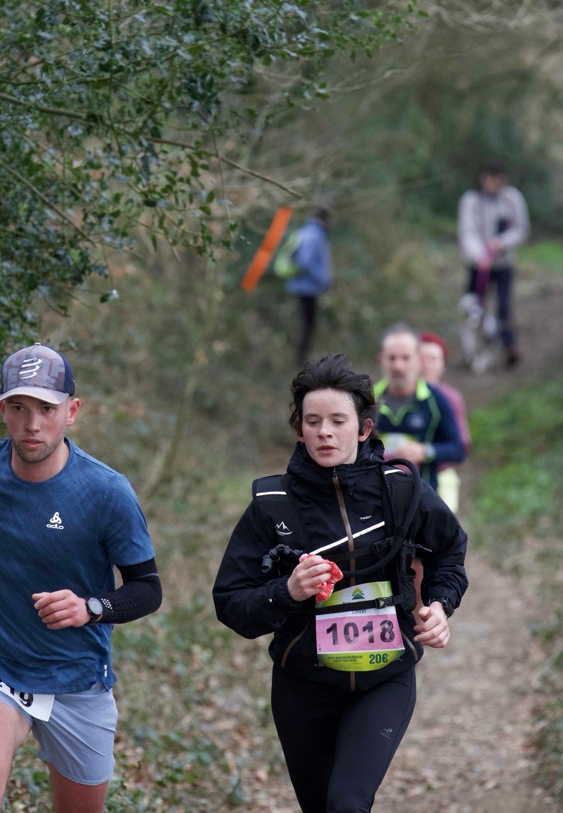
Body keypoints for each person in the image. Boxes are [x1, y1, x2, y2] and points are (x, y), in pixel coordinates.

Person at [212, 354, 467, 813]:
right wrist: (287, 591)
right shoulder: (272, 505)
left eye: (337, 421)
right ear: (299, 429)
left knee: (348, 804)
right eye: (312, 422)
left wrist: (440, 603)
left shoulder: (401, 490)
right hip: (302, 687)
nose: (324, 432)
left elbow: (450, 548)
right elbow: (231, 602)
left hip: (384, 679)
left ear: (364, 429)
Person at [0, 343, 162, 813]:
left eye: (46, 409)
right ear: (2, 411)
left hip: (76, 679)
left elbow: (148, 589)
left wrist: (89, 608)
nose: (32, 424)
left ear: (72, 411)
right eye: (19, 408)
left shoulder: (107, 493)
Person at [373, 324, 466, 493]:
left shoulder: (435, 399)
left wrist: (425, 451)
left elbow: (458, 449)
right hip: (375, 496)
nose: (398, 366)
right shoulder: (366, 400)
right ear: (381, 359)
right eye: (392, 358)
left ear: (418, 360)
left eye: (405, 358)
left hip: (423, 497)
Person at [457, 161, 529, 367]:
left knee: (504, 306)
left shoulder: (512, 199)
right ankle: (471, 351)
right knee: (473, 307)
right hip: (478, 266)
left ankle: (508, 345)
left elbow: (520, 229)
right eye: (487, 178)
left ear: (501, 179)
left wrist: (500, 243)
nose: (490, 183)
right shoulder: (471, 200)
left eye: (494, 179)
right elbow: (467, 231)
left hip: (503, 264)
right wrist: (479, 255)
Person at [418, 332, 471, 514]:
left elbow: (462, 446)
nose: (426, 365)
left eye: (433, 359)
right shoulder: (394, 397)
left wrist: (426, 452)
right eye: (422, 358)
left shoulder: (451, 398)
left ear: (443, 364)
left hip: (441, 476)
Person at [286, 206, 333, 368]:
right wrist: (322, 279)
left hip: (301, 286)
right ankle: (300, 361)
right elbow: (304, 262)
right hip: (308, 288)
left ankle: (300, 359)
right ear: (325, 219)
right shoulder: (315, 235)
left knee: (306, 323)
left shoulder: (304, 232)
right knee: (308, 324)